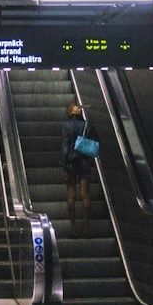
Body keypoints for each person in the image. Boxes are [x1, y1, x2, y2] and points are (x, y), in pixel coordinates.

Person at [61, 100, 96, 234]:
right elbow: (94, 142)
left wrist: (64, 164)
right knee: (85, 195)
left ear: (69, 112)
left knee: (71, 196)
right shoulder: (87, 125)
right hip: (85, 162)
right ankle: (87, 229)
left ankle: (74, 229)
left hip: (71, 163)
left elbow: (65, 147)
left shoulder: (67, 125)